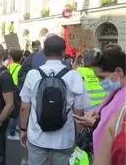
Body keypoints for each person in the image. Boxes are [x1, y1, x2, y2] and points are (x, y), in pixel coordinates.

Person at [19, 35, 88, 165]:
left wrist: (23, 129)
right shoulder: (74, 76)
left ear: (44, 52)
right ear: (63, 53)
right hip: (64, 139)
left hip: (37, 136)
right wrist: (79, 138)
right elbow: (79, 113)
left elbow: (24, 107)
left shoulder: (33, 74)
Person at [75, 51, 126, 155]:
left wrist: (95, 123)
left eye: (102, 77)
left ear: (119, 72)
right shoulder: (116, 91)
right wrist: (97, 115)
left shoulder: (123, 98)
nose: (99, 82)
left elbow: (118, 129)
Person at [6, 49, 23, 141]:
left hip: (9, 88)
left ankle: (11, 129)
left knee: (10, 108)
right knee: (15, 111)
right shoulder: (20, 67)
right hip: (17, 89)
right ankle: (11, 132)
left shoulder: (9, 66)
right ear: (21, 58)